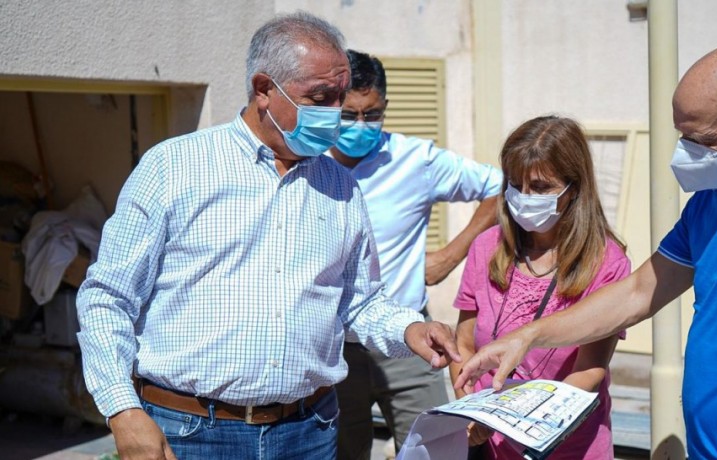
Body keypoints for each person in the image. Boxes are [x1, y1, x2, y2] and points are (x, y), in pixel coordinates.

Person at [76, 12, 459, 460]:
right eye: (321, 97)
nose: (336, 112)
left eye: (340, 96)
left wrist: (410, 328)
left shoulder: (340, 186)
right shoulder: (173, 168)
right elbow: (107, 298)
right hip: (190, 434)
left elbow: (359, 302)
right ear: (264, 89)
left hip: (308, 432)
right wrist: (122, 409)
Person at [454, 44, 717, 460]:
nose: (686, 151)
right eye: (683, 134)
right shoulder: (711, 201)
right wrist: (528, 336)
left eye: (702, 141)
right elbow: (637, 293)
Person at [328, 49, 502, 459]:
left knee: (435, 448)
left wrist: (452, 254)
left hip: (410, 341)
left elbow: (500, 187)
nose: (360, 124)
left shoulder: (415, 160)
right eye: (349, 114)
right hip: (332, 346)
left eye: (372, 114)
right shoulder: (308, 162)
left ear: (385, 107)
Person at [447, 116, 630, 459]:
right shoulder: (486, 247)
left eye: (541, 187)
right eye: (515, 185)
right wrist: (471, 410)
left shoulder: (607, 262)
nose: (524, 197)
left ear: (574, 188)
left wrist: (525, 422)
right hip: (491, 446)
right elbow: (464, 346)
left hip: (568, 447)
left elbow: (590, 370)